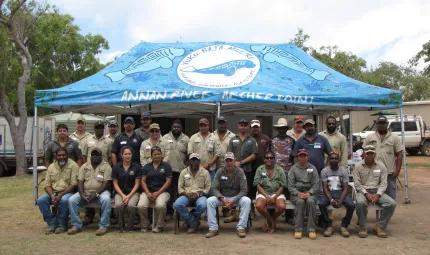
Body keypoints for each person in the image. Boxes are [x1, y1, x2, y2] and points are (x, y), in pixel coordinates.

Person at [354, 145, 397, 238]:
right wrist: (366, 194)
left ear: (375, 154)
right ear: (364, 155)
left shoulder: (381, 166)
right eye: (367, 153)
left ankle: (379, 226)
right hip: (363, 191)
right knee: (360, 202)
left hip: (377, 191)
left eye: (371, 153)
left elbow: (384, 183)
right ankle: (363, 227)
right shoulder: (358, 166)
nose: (369, 155)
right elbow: (357, 184)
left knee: (391, 204)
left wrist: (378, 194)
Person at [68, 147, 112, 236]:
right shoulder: (84, 166)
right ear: (90, 156)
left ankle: (103, 226)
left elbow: (106, 183)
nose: (95, 157)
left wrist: (96, 193)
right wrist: (81, 194)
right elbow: (80, 181)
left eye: (97, 155)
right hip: (86, 191)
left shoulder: (106, 166)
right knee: (72, 200)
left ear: (101, 156)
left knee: (106, 200)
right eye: (93, 155)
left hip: (101, 192)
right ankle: (76, 225)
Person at [206, 152, 251, 238]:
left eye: (231, 160)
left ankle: (241, 228)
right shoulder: (219, 171)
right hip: (223, 197)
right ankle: (213, 228)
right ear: (224, 162)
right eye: (227, 161)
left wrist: (234, 200)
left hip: (236, 197)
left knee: (247, 200)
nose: (229, 163)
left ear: (234, 161)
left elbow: (244, 190)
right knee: (210, 201)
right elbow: (214, 188)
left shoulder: (240, 172)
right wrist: (222, 198)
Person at [38, 147, 79, 234]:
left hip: (68, 192)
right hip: (53, 192)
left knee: (64, 200)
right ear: (56, 156)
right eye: (59, 155)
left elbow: (73, 184)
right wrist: (52, 195)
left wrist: (61, 195)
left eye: (63, 155)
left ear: (67, 155)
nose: (61, 157)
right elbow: (47, 184)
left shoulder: (73, 165)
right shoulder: (51, 167)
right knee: (41, 200)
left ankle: (62, 224)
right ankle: (52, 223)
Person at [362, 115, 403, 200]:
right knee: (375, 199)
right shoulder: (370, 137)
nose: (381, 125)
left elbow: (399, 154)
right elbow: (364, 153)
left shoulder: (394, 138)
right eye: (379, 123)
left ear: (387, 124)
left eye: (383, 123)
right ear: (376, 124)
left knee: (391, 200)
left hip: (389, 173)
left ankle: (386, 213)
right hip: (373, 173)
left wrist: (397, 170)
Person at [226, 119, 257, 223]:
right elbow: (229, 154)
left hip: (247, 170)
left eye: (245, 125)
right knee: (234, 191)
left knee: (247, 192)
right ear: (238, 126)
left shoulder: (252, 140)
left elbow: (254, 155)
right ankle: (233, 214)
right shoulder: (232, 139)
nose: (243, 127)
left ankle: (247, 213)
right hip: (234, 171)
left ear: (248, 127)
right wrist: (235, 164)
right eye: (241, 125)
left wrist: (241, 163)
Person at [319, 152, 355, 237]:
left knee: (352, 205)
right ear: (328, 160)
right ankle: (328, 225)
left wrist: (341, 200)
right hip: (329, 193)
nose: (334, 160)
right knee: (321, 204)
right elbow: (325, 187)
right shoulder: (324, 171)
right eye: (332, 158)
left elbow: (346, 188)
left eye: (335, 158)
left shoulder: (344, 171)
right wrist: (331, 200)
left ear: (339, 160)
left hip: (341, 193)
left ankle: (344, 225)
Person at [174, 153, 211, 234]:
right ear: (189, 162)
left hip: (200, 195)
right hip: (186, 195)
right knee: (177, 204)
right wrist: (186, 194)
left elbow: (208, 188)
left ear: (199, 162)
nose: (194, 162)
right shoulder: (183, 172)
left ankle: (190, 219)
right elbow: (180, 187)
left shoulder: (205, 172)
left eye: (196, 160)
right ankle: (193, 222)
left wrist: (198, 194)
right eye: (192, 160)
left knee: (203, 205)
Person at [138, 146, 172, 233]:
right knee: (141, 206)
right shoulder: (146, 167)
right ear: (151, 156)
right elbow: (143, 181)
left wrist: (158, 193)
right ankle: (145, 224)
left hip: (162, 192)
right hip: (148, 191)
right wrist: (148, 193)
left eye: (158, 154)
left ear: (161, 155)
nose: (156, 156)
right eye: (154, 154)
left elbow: (168, 181)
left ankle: (160, 225)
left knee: (160, 206)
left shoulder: (166, 166)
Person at [288, 149, 320, 240]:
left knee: (310, 202)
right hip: (296, 194)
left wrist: (309, 193)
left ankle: (311, 229)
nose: (302, 158)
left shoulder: (313, 168)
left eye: (304, 156)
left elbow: (316, 184)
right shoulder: (293, 169)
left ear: (307, 157)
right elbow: (290, 186)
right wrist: (298, 193)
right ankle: (298, 229)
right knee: (300, 202)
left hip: (310, 192)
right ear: (297, 158)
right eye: (300, 156)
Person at [253, 151, 287, 233]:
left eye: (271, 158)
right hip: (263, 192)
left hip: (277, 192)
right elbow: (257, 184)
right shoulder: (260, 169)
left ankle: (271, 220)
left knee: (282, 206)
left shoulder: (280, 169)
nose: (269, 159)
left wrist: (275, 197)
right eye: (267, 158)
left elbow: (283, 185)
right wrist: (267, 196)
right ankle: (271, 221)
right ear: (264, 159)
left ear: (274, 159)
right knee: (258, 205)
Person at [162, 119, 189, 220]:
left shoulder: (186, 138)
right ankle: (169, 212)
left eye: (178, 127)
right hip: (168, 170)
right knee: (169, 192)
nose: (176, 128)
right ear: (171, 128)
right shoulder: (165, 138)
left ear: (181, 128)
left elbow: (189, 154)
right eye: (174, 127)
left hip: (181, 170)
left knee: (180, 191)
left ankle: (180, 213)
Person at [112, 146, 141, 232]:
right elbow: (115, 184)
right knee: (118, 206)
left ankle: (130, 226)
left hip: (133, 193)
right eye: (125, 154)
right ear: (121, 155)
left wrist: (128, 196)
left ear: (132, 155)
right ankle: (121, 226)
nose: (127, 156)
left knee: (131, 206)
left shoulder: (137, 167)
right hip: (120, 193)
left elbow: (137, 184)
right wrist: (123, 195)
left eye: (129, 154)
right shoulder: (116, 167)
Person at [271, 118, 295, 223]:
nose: (281, 130)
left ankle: (289, 217)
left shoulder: (291, 140)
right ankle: (272, 215)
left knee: (289, 193)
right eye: (279, 128)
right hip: (276, 171)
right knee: (274, 192)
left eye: (283, 128)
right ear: (277, 129)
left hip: (289, 171)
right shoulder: (272, 141)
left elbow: (294, 157)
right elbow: (270, 156)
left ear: (286, 129)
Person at [250, 119, 272, 218]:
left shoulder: (266, 138)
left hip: (263, 168)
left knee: (265, 188)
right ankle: (251, 211)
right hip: (250, 168)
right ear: (250, 128)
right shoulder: (248, 138)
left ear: (259, 128)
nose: (255, 129)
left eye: (257, 127)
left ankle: (266, 210)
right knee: (251, 190)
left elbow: (270, 151)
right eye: (254, 127)